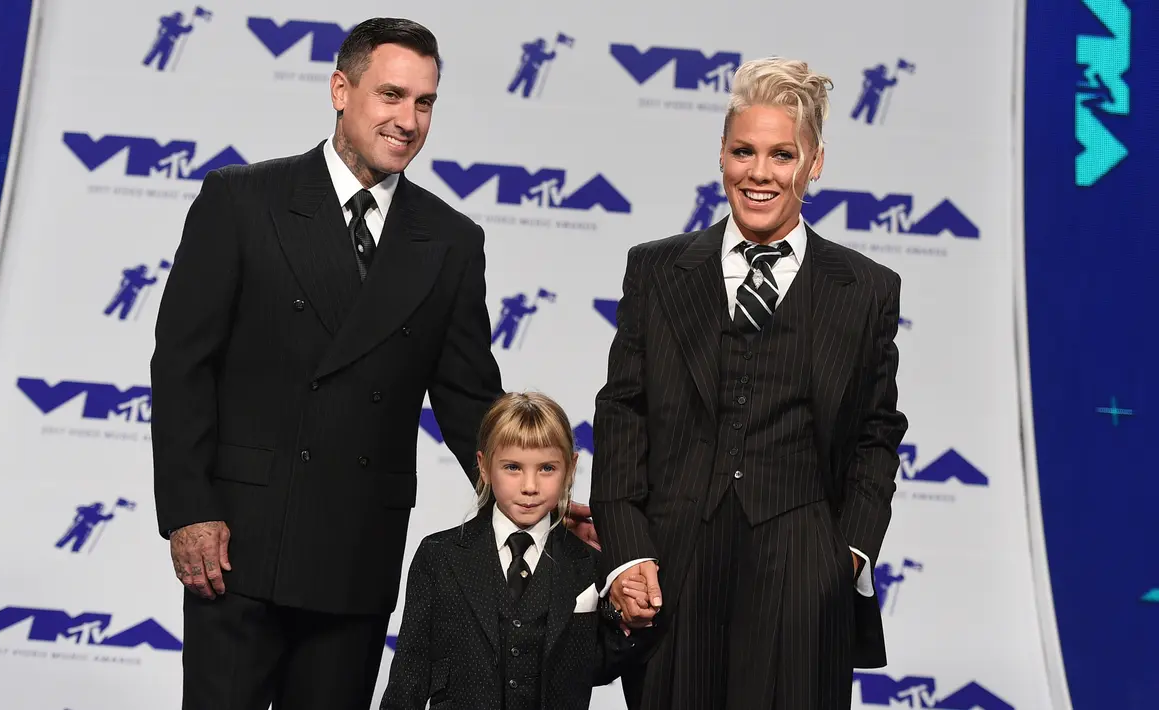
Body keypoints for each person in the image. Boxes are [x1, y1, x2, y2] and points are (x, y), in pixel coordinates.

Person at [151, 17, 594, 710]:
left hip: (355, 548)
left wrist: (539, 494)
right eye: (391, 96)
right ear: (339, 89)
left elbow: (468, 398)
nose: (407, 120)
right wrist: (189, 511)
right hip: (237, 542)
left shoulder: (448, 240)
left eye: (424, 103)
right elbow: (183, 368)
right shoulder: (242, 201)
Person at [591, 57, 909, 709]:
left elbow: (876, 436)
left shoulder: (866, 291)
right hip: (672, 575)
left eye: (780, 155)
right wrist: (625, 554)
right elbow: (622, 417)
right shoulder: (656, 271)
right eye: (743, 151)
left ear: (813, 163)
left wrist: (844, 554)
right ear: (721, 155)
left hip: (801, 581)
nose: (758, 173)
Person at [380, 392, 639, 710]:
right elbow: (409, 676)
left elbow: (597, 664)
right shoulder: (439, 556)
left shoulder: (587, 562)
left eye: (546, 468)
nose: (530, 486)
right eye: (513, 467)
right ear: (484, 466)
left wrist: (623, 611)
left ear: (570, 468)